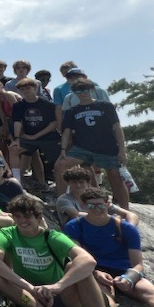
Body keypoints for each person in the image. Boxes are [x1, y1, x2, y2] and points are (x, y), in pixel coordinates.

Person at [54, 78, 130, 210]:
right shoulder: (72, 111)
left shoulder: (105, 106)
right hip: (82, 148)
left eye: (85, 90)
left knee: (115, 178)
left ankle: (125, 210)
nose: (82, 93)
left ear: (92, 90)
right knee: (60, 165)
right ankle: (63, 203)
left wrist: (122, 151)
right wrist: (63, 149)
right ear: (74, 93)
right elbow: (66, 131)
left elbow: (117, 128)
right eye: (78, 91)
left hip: (107, 148)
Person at [12, 78, 60, 189]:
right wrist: (17, 138)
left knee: (58, 162)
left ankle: (59, 185)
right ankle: (17, 182)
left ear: (35, 88)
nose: (25, 91)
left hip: (47, 137)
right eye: (22, 89)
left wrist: (35, 136)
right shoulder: (18, 106)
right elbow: (17, 122)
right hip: (28, 138)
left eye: (28, 88)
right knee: (15, 149)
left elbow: (53, 124)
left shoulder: (47, 104)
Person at [55, 166, 138, 227]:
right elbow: (76, 215)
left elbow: (130, 215)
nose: (78, 185)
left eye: (81, 182)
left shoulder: (95, 197)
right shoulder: (64, 200)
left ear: (88, 183)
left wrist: (130, 228)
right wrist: (110, 219)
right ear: (68, 183)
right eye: (74, 182)